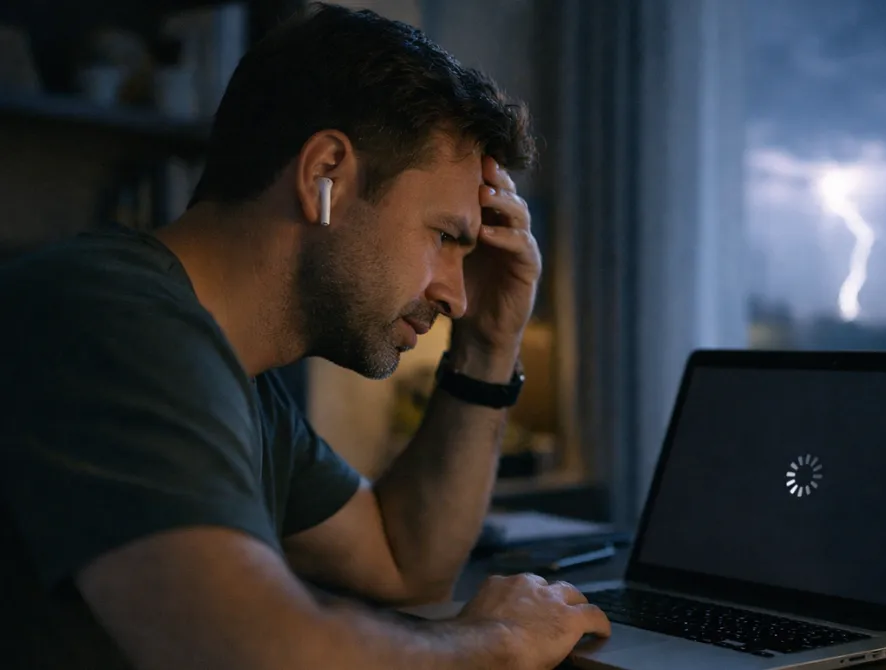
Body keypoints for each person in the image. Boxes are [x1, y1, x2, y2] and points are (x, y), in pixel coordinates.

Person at [0, 4, 610, 669]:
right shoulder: (109, 316)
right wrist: (498, 643)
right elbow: (253, 652)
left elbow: (406, 563)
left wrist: (489, 342)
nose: (456, 296)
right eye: (444, 237)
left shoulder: (236, 379)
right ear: (326, 175)